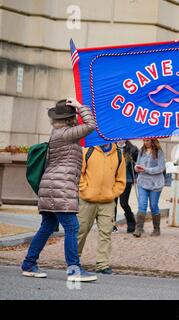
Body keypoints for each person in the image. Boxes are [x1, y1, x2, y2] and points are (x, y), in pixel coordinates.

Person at [21, 98, 97, 282]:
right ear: (71, 117)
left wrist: (76, 110)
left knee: (47, 227)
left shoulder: (60, 132)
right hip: (59, 188)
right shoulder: (66, 133)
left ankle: (29, 264)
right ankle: (74, 270)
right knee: (72, 227)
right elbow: (91, 124)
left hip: (53, 186)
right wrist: (80, 107)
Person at [77, 143, 126, 275]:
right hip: (87, 201)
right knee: (81, 231)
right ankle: (74, 260)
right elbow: (79, 174)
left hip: (108, 202)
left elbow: (121, 180)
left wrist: (112, 193)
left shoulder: (119, 154)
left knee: (106, 233)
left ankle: (102, 264)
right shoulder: (88, 150)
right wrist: (84, 190)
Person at [133, 139, 166, 237]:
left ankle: (156, 229)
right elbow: (137, 164)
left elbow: (161, 168)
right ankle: (138, 229)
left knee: (153, 206)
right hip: (142, 182)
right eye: (144, 140)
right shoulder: (141, 151)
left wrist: (146, 169)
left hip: (155, 184)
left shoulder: (159, 152)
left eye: (147, 140)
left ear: (152, 141)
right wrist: (137, 168)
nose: (145, 142)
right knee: (142, 205)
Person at [115, 140, 139, 233]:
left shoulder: (132, 149)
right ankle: (112, 225)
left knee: (123, 203)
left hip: (126, 179)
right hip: (113, 179)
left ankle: (131, 222)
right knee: (112, 203)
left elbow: (139, 163)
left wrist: (134, 164)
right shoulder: (112, 147)